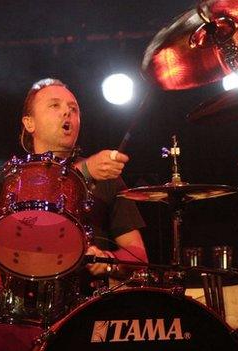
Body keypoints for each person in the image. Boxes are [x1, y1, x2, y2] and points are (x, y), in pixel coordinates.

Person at [19, 78, 148, 277]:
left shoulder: (106, 177)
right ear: (29, 123)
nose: (66, 112)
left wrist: (108, 260)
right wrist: (85, 172)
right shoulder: (14, 180)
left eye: (74, 108)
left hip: (92, 302)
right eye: (55, 105)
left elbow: (139, 255)